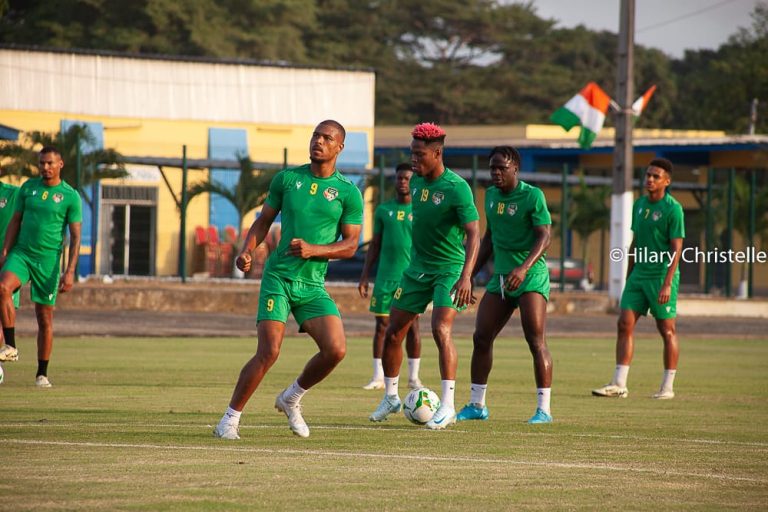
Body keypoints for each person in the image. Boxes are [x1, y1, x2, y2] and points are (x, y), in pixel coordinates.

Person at [213, 120, 363, 440]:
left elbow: (351, 245)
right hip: (278, 278)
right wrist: (247, 250)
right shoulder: (288, 179)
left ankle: (291, 397)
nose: (318, 142)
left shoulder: (349, 193)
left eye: (327, 138)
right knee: (269, 351)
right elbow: (263, 221)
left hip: (312, 285)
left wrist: (314, 250)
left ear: (340, 148)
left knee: (335, 350)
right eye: (316, 136)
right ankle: (229, 419)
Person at [369, 122, 480, 430]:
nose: (413, 159)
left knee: (440, 329)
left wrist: (466, 276)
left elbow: (474, 234)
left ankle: (448, 406)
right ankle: (391, 396)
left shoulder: (457, 187)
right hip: (416, 271)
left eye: (419, 154)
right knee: (393, 332)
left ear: (437, 153)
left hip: (449, 270)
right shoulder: (416, 183)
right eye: (412, 152)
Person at [456, 146, 555, 424]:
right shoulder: (490, 196)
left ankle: (543, 410)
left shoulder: (533, 195)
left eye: (502, 168)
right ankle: (477, 405)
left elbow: (544, 237)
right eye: (492, 168)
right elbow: (489, 239)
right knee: (481, 337)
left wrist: (523, 269)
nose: (496, 173)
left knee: (535, 341)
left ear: (515, 169)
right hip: (500, 279)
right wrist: (469, 274)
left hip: (530, 277)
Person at [592, 157, 684, 400]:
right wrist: (629, 276)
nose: (650, 179)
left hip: (661, 277)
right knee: (624, 324)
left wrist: (667, 283)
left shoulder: (673, 209)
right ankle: (619, 383)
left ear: (667, 181)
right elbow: (635, 242)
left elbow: (677, 249)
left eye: (656, 176)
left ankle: (667, 387)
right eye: (648, 175)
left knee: (666, 330)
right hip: (638, 276)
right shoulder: (640, 204)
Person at [0, 146, 82, 388]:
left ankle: (41, 373)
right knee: (3, 288)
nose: (45, 168)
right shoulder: (28, 188)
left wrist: (70, 271)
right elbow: (15, 221)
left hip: (48, 262)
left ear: (60, 165)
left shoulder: (70, 196)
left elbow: (76, 237)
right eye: (42, 164)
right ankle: (11, 346)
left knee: (44, 317)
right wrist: (5, 251)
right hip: (22, 253)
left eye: (49, 163)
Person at [358, 163, 422, 391]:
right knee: (382, 326)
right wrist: (365, 275)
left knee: (413, 326)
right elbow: (374, 245)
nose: (402, 182)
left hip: (411, 278)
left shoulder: (421, 209)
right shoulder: (384, 210)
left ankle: (414, 377)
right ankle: (378, 376)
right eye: (399, 178)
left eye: (406, 178)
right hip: (385, 277)